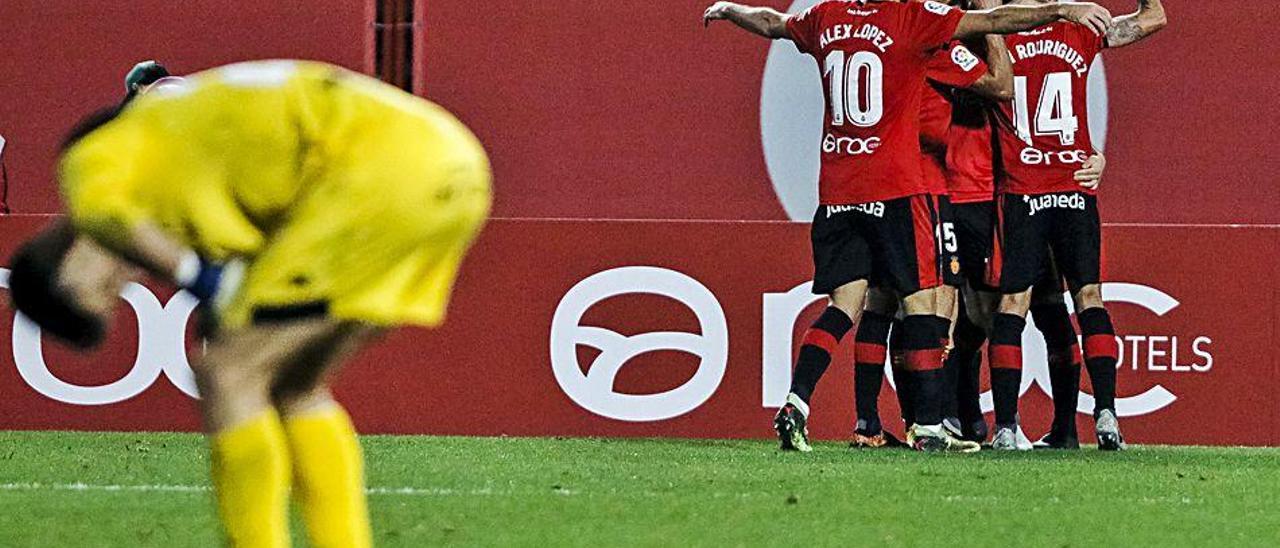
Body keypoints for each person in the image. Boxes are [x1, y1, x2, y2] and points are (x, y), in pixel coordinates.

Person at [9, 59, 491, 546]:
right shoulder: (186, 157)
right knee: (296, 385)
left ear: (62, 269)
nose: (123, 279)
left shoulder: (88, 166)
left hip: (371, 179)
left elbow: (107, 214)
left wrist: (203, 280)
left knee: (226, 373)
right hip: (451, 163)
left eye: (104, 289)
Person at [703, 0, 1112, 452]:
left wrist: (729, 9)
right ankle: (931, 426)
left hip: (841, 190)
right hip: (907, 189)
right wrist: (1062, 10)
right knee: (928, 304)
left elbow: (773, 22)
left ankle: (810, 405)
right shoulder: (917, 22)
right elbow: (1000, 70)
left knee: (854, 305)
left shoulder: (827, 16)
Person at [987, 0, 1167, 450]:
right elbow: (1153, 18)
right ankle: (1107, 415)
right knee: (1089, 298)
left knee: (1013, 302)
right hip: (1074, 184)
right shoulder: (1082, 32)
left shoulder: (997, 34)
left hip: (1024, 187)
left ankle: (1006, 427)